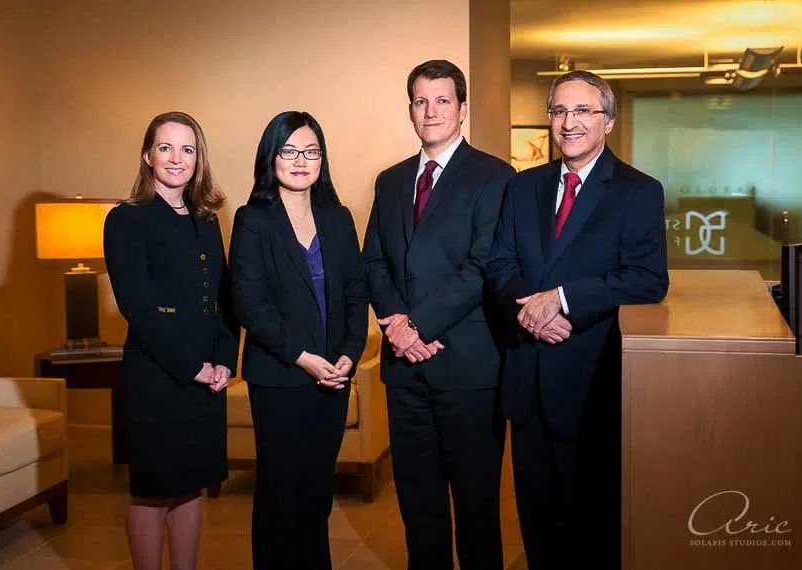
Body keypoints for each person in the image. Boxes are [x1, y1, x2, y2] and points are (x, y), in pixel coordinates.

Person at [487, 70, 669, 569]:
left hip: (592, 383)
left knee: (592, 530)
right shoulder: (522, 188)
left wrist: (563, 298)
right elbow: (499, 266)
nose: (570, 123)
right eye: (560, 111)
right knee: (537, 525)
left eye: (583, 111)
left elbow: (648, 279)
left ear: (607, 121)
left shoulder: (637, 191)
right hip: (528, 379)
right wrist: (534, 312)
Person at [362, 60, 515, 570]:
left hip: (468, 368)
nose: (431, 111)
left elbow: (482, 267)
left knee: (475, 507)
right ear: (410, 110)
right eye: (421, 101)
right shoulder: (389, 181)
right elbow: (374, 262)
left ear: (463, 109)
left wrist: (417, 326)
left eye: (442, 100)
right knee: (417, 504)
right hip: (406, 374)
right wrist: (398, 327)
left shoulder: (495, 176)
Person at [228, 111, 368, 570]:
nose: (301, 160)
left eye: (311, 151)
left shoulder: (339, 217)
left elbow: (354, 294)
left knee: (316, 492)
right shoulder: (253, 220)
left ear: (322, 159)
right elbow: (250, 304)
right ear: (271, 158)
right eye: (289, 151)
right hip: (281, 378)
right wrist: (304, 357)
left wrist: (348, 354)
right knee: (279, 494)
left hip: (333, 379)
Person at [103, 111, 239, 570]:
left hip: (206, 378)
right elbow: (138, 311)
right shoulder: (127, 219)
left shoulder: (206, 219)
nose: (177, 158)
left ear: (198, 158)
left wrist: (223, 360)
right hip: (157, 378)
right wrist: (193, 367)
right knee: (152, 490)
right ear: (147, 155)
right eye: (165, 147)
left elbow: (221, 299)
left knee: (190, 485)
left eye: (187, 149)